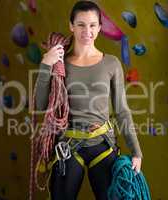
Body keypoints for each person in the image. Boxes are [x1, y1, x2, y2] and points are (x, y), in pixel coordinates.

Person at [34, 1, 143, 199]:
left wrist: (136, 152)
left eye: (93, 25)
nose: (87, 31)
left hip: (102, 144)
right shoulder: (59, 64)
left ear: (100, 28)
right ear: (71, 26)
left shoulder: (111, 63)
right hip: (68, 145)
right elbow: (40, 105)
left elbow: (122, 110)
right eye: (81, 24)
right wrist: (45, 65)